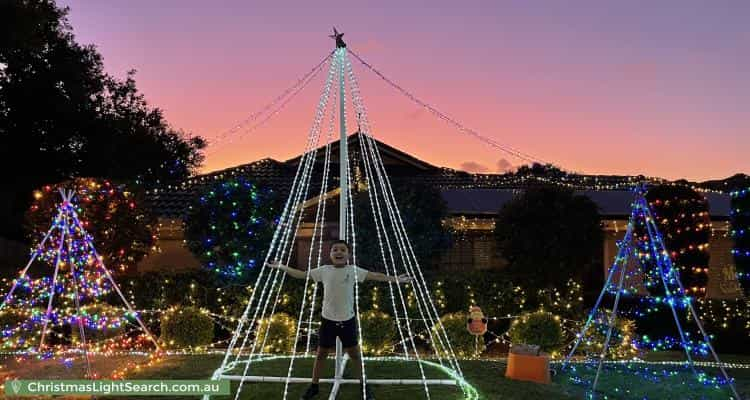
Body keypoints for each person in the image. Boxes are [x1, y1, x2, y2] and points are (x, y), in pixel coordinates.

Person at [267, 239, 412, 400]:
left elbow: (375, 276)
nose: (339, 252)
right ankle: (314, 386)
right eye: (335, 249)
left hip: (347, 321)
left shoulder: (353, 270)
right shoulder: (324, 270)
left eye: (343, 250)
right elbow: (301, 274)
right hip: (327, 321)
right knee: (321, 354)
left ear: (348, 254)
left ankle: (364, 386)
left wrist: (396, 279)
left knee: (355, 355)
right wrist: (282, 267)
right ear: (330, 254)